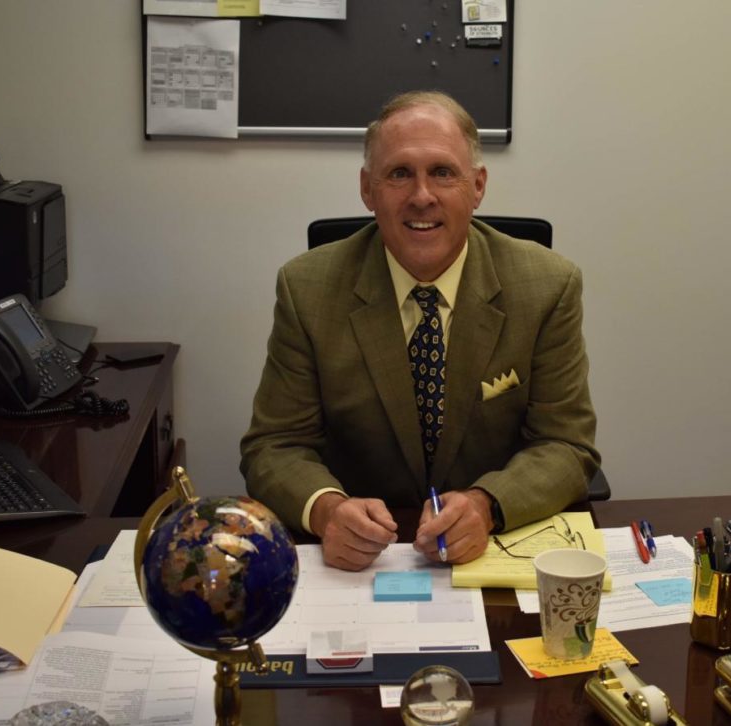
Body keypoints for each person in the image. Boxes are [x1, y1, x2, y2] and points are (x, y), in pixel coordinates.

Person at [240, 90, 599, 571]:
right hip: (360, 563)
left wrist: (486, 504)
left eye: (443, 172)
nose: (422, 196)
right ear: (368, 189)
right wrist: (327, 510)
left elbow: (567, 445)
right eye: (399, 173)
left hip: (489, 555)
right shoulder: (307, 289)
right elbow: (275, 445)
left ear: (477, 186)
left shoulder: (548, 286)